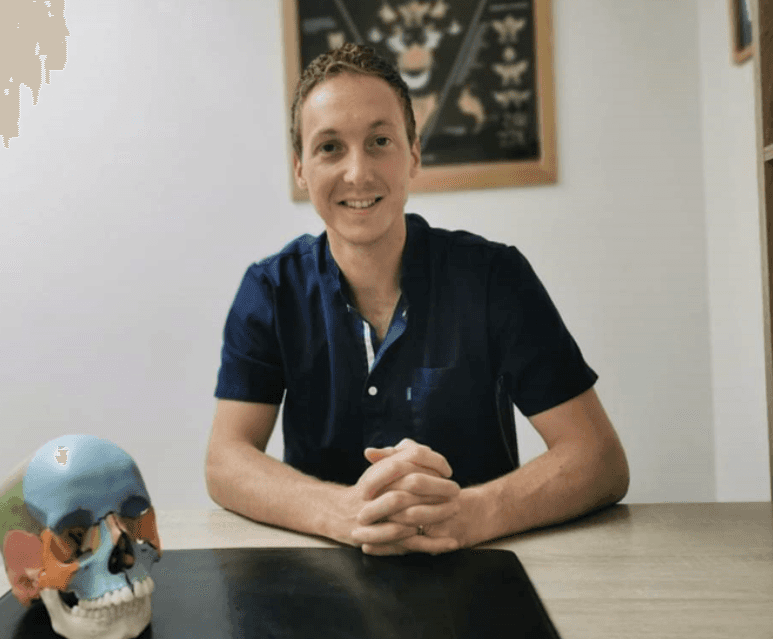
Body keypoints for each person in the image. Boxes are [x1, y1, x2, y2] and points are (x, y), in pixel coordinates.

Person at [206, 43, 629, 556]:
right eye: (330, 147)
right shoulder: (271, 291)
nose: (357, 172)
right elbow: (225, 460)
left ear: (414, 155)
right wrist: (342, 512)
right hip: (323, 574)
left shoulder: (495, 278)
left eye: (380, 141)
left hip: (481, 566)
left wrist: (468, 514)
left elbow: (598, 458)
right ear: (301, 168)